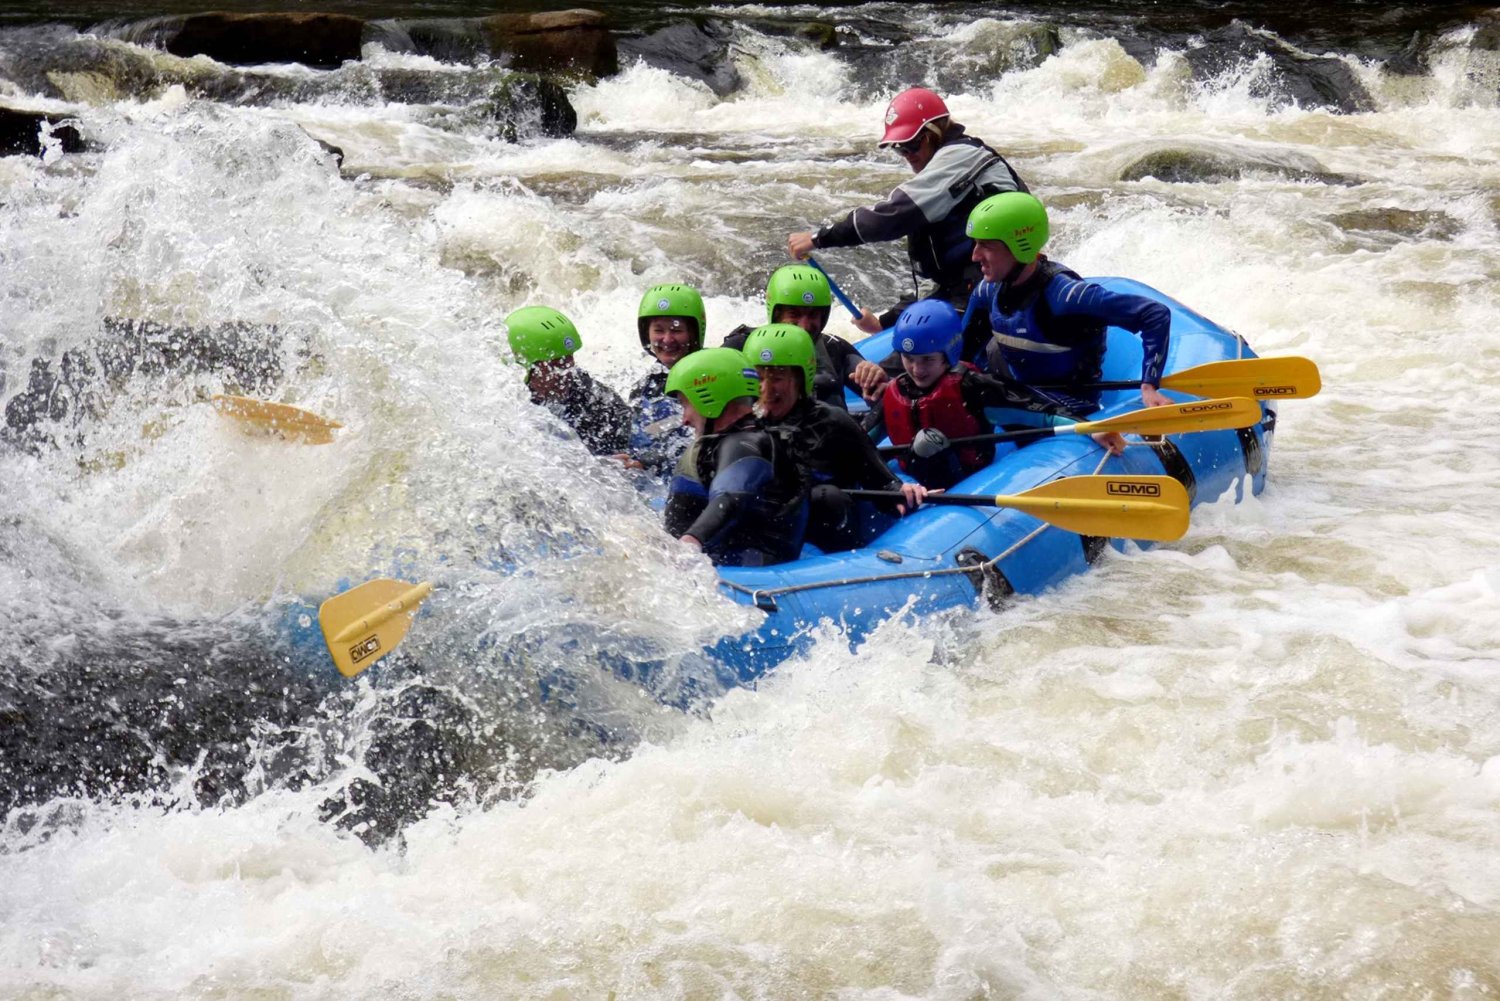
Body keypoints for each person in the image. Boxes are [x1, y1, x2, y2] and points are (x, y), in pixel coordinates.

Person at [786, 87, 1027, 335]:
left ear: (935, 133)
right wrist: (886, 322)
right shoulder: (952, 164)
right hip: (970, 288)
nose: (907, 155)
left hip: (995, 290)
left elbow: (890, 217)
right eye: (900, 148)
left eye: (912, 144)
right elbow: (941, 282)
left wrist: (820, 238)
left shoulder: (959, 158)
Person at [881, 299, 1127, 489]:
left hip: (964, 476)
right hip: (910, 479)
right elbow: (863, 440)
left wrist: (1089, 428)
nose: (916, 369)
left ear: (949, 354)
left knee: (927, 440)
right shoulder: (897, 390)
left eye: (927, 360)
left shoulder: (973, 387)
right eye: (909, 359)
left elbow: (1042, 413)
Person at [963, 192, 1173, 413]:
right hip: (1022, 396)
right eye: (976, 244)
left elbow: (1154, 314)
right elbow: (961, 355)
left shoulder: (1067, 295)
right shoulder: (987, 290)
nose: (975, 256)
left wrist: (1149, 385)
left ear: (1019, 245)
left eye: (986, 245)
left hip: (1072, 407)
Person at [743, 322, 927, 553]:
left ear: (801, 379)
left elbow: (883, 483)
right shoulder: (743, 426)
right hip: (769, 533)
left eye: (778, 377)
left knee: (826, 498)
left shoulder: (834, 423)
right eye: (759, 377)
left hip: (829, 534)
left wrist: (902, 492)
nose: (766, 389)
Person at [661, 347, 808, 566]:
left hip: (749, 568)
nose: (685, 419)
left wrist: (689, 542)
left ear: (709, 400)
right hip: (727, 554)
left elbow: (730, 498)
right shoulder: (734, 439)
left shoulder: (745, 446)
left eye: (686, 405)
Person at [721, 265, 888, 411]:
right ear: (776, 313)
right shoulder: (740, 346)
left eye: (813, 315)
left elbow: (884, 395)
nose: (804, 325)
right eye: (794, 314)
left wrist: (877, 377)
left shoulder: (835, 348)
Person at [504, 305, 632, 455]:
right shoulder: (504, 403)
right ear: (524, 366)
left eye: (569, 359)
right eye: (555, 364)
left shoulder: (600, 403)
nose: (567, 371)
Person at [625, 283, 704, 477]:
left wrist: (648, 462)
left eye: (676, 331)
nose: (667, 340)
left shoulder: (709, 376)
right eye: (659, 331)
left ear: (693, 333)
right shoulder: (644, 388)